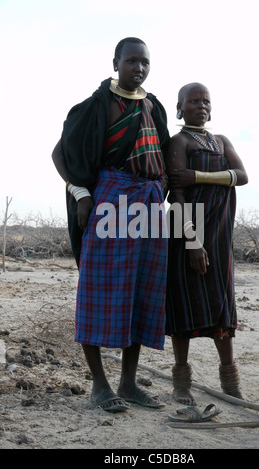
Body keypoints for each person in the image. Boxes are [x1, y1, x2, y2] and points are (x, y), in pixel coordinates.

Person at [52, 37, 169, 412]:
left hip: (148, 206)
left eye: (145, 63)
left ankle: (129, 383)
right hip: (108, 201)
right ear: (116, 62)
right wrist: (81, 194)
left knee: (140, 293)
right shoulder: (95, 107)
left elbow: (163, 156)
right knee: (97, 292)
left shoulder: (154, 107)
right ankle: (100, 386)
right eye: (132, 61)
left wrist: (159, 189)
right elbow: (59, 153)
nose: (139, 68)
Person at [165, 82, 248, 405]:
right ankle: (181, 382)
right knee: (183, 304)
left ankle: (230, 380)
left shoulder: (221, 141)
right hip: (189, 234)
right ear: (180, 106)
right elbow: (178, 195)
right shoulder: (179, 142)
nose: (201, 105)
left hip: (219, 235)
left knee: (221, 304)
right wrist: (192, 243)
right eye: (193, 100)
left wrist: (198, 176)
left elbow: (241, 175)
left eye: (206, 101)